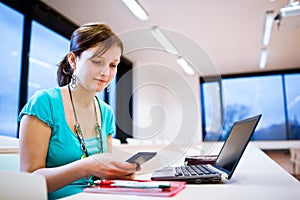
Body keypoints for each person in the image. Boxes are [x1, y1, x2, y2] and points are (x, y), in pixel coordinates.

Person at [18, 23, 138, 199]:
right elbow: (29, 181)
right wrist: (87, 166)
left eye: (113, 65)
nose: (106, 72)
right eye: (97, 61)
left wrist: (118, 172)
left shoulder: (106, 112)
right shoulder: (45, 103)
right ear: (73, 60)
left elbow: (101, 175)